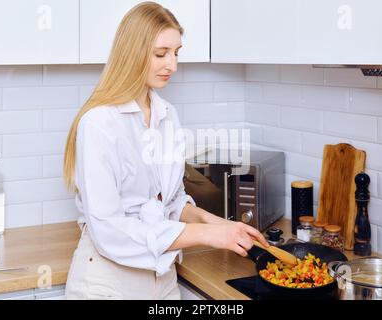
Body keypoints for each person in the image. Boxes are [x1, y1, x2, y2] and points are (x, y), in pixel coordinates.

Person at [62, 1, 268, 300]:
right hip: (107, 285)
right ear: (132, 52)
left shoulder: (167, 114)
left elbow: (169, 203)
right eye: (161, 54)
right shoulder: (98, 123)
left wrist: (222, 225)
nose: (172, 65)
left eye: (176, 53)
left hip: (164, 280)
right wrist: (207, 235)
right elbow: (109, 230)